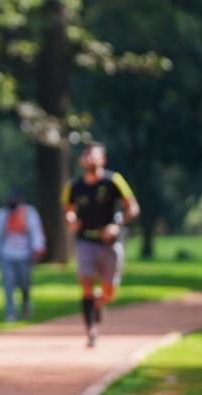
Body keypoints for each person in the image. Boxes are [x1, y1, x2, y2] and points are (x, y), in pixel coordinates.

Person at [62, 142, 140, 347]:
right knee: (86, 285)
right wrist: (70, 218)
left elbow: (132, 207)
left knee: (109, 291)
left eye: (94, 156)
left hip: (109, 243)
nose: (90, 159)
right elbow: (67, 209)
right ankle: (91, 331)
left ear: (102, 160)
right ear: (81, 160)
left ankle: (99, 302)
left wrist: (117, 225)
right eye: (86, 155)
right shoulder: (74, 186)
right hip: (85, 240)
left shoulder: (113, 181)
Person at [0, 190, 45, 321]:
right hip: (6, 255)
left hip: (24, 254)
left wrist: (38, 248)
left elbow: (36, 232)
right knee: (7, 284)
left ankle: (26, 304)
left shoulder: (29, 213)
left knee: (25, 283)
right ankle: (10, 312)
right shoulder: (2, 214)